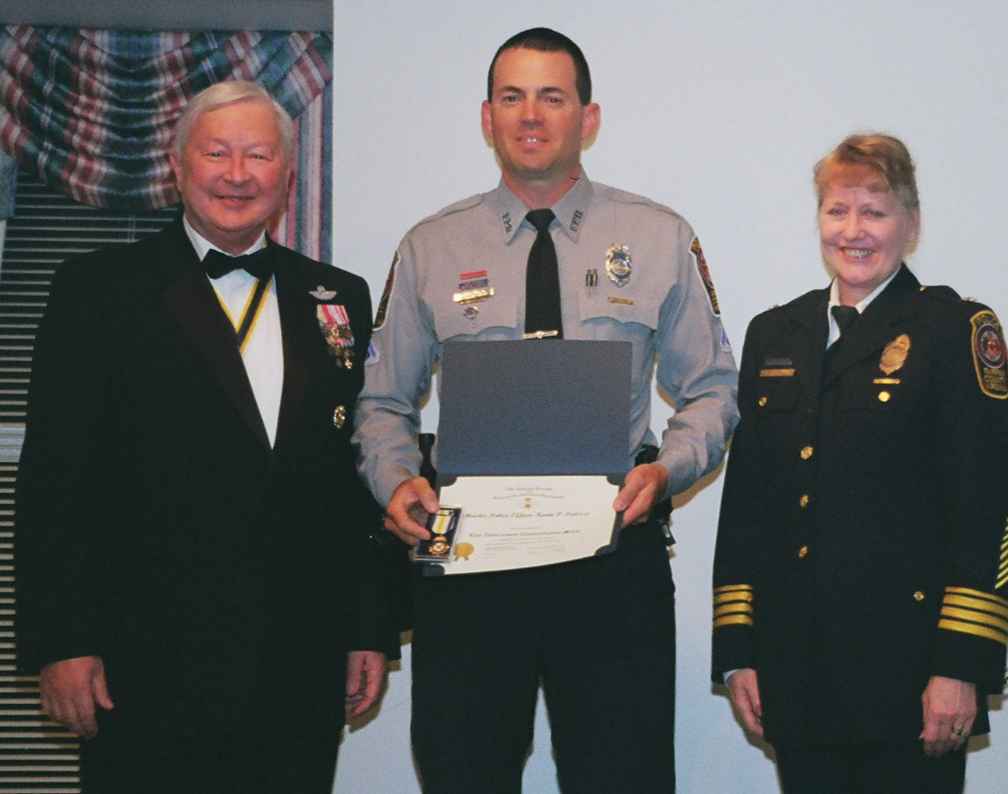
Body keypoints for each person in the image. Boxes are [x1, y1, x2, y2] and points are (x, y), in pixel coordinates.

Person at [354, 27, 738, 794]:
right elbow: (382, 401)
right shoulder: (431, 245)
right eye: (512, 97)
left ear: (588, 118)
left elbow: (714, 390)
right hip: (469, 566)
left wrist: (665, 470)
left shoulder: (658, 237)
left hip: (610, 555)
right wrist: (395, 482)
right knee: (464, 774)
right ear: (487, 117)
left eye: (552, 97)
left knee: (622, 777)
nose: (532, 115)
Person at [15, 81, 396, 793]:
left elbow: (350, 476)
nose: (237, 173)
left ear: (287, 175)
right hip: (143, 657)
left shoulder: (336, 296)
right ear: (177, 164)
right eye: (217, 152)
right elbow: (54, 478)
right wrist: (62, 642)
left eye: (258, 155)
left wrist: (366, 624)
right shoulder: (96, 289)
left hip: (299, 658)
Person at [712, 133, 1008, 793]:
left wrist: (960, 666)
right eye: (836, 210)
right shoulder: (776, 334)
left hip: (909, 680)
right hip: (794, 671)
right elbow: (748, 504)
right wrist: (739, 650)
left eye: (874, 213)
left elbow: (987, 509)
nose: (853, 231)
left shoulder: (952, 329)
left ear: (911, 225)